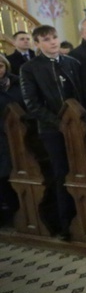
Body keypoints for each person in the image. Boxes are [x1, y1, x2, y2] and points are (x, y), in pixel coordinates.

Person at [19, 25, 83, 239]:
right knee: (61, 173)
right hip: (52, 130)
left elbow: (80, 94)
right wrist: (59, 123)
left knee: (83, 170)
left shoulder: (72, 63)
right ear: (37, 44)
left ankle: (85, 217)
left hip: (77, 127)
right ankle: (66, 223)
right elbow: (32, 104)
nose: (53, 42)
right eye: (46, 39)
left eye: (55, 37)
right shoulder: (30, 68)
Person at [0, 54, 23, 225]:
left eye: (0, 66)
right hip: (2, 136)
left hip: (22, 132)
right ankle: (12, 210)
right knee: (5, 173)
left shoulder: (17, 82)